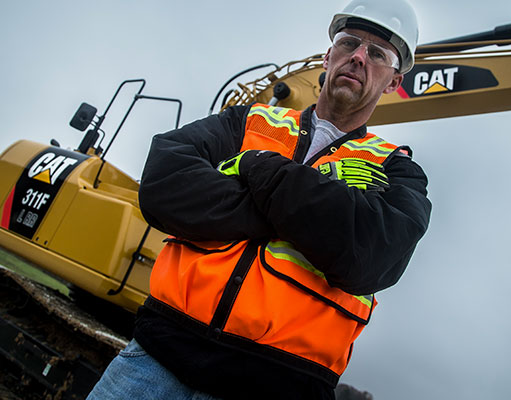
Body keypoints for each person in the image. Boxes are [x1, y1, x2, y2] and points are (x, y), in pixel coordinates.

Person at [87, 0, 431, 399]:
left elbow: (372, 258)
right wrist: (306, 219)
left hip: (275, 386)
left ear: (393, 81)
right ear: (328, 55)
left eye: (377, 53)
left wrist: (262, 169)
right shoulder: (249, 121)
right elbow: (165, 182)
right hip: (155, 360)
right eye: (349, 42)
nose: (358, 56)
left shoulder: (395, 170)